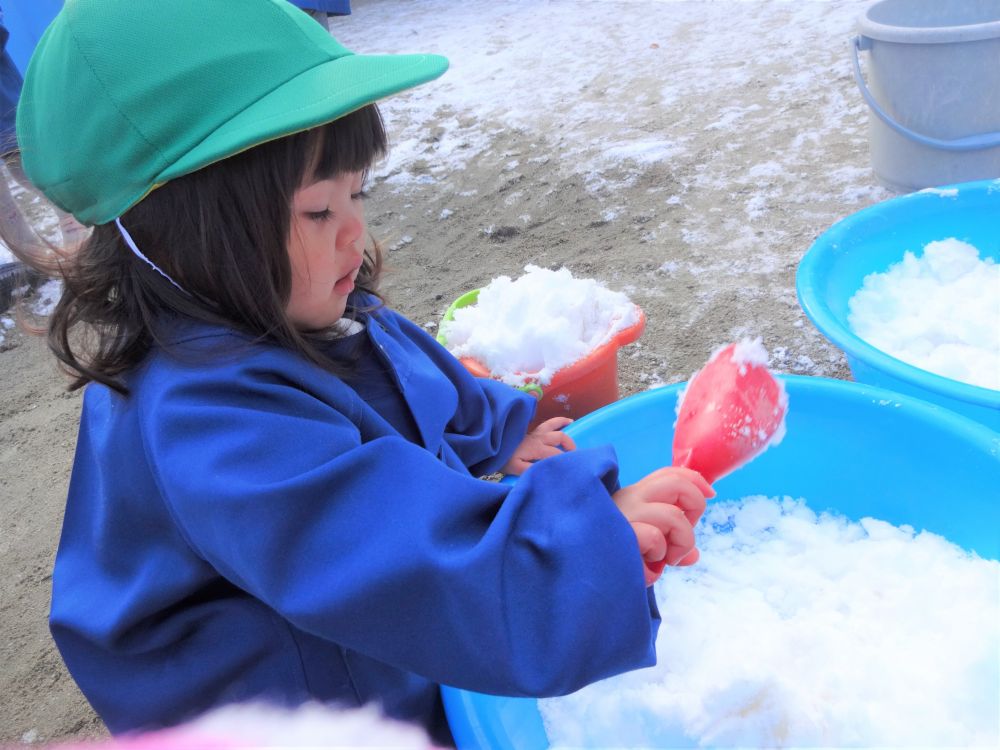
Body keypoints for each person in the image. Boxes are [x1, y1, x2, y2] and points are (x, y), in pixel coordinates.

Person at [8, 0, 713, 745]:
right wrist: (581, 549)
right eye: (318, 211)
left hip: (323, 608)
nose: (355, 232)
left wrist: (496, 434)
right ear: (187, 232)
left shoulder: (283, 301)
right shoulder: (208, 416)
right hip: (272, 699)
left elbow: (403, 369)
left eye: (359, 193)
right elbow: (395, 558)